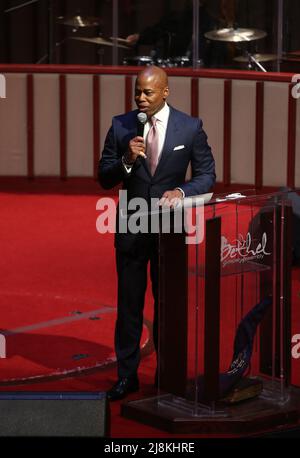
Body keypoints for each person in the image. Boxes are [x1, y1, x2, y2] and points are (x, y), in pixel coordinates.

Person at [98, 66, 215, 401]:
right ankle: (126, 377)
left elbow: (207, 175)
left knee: (168, 306)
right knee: (129, 307)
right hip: (132, 229)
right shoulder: (121, 125)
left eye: (148, 92)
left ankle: (168, 376)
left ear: (165, 92)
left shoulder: (190, 127)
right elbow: (105, 177)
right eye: (137, 91)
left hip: (170, 231)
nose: (140, 98)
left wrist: (182, 191)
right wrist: (126, 159)